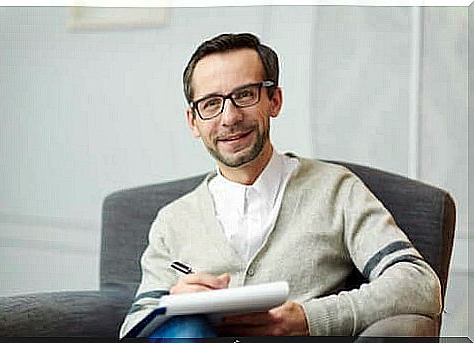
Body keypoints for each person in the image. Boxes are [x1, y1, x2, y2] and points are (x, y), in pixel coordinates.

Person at [119, 33, 441, 338]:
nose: (229, 117)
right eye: (211, 103)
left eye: (245, 95)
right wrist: (172, 305)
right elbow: (131, 327)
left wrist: (308, 318)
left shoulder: (337, 191)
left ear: (274, 100)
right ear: (193, 121)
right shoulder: (172, 220)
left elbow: (419, 284)